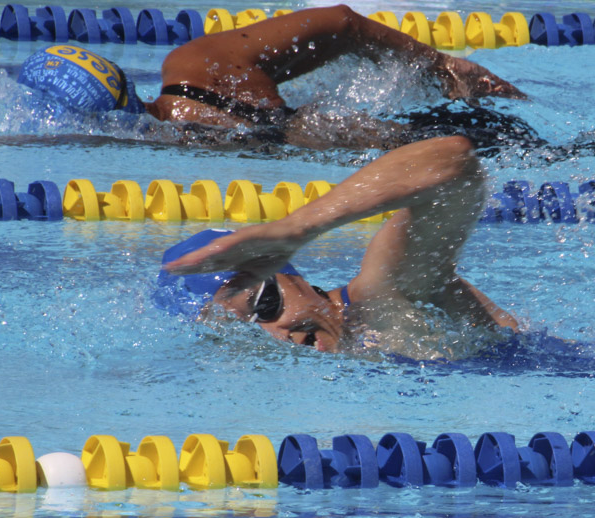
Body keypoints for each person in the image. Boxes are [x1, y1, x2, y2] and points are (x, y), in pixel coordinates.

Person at [158, 134, 518, 356]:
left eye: (265, 304)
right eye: (237, 334)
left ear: (291, 277)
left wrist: (298, 228)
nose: (276, 336)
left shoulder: (384, 295)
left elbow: (454, 161)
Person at [16, 4, 528, 150]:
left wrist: (443, 64)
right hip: (430, 135)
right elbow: (345, 26)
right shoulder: (193, 68)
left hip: (430, 142)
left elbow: (342, 21)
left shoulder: (197, 78)